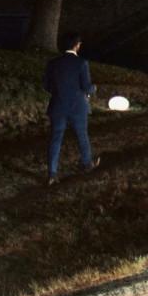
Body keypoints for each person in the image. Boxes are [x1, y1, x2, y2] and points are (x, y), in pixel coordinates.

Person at [44, 32, 100, 185]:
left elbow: (47, 86)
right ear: (77, 45)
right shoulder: (81, 63)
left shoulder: (53, 63)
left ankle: (52, 173)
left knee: (55, 138)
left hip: (58, 105)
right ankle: (87, 163)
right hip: (77, 106)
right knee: (82, 136)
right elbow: (87, 87)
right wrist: (94, 88)